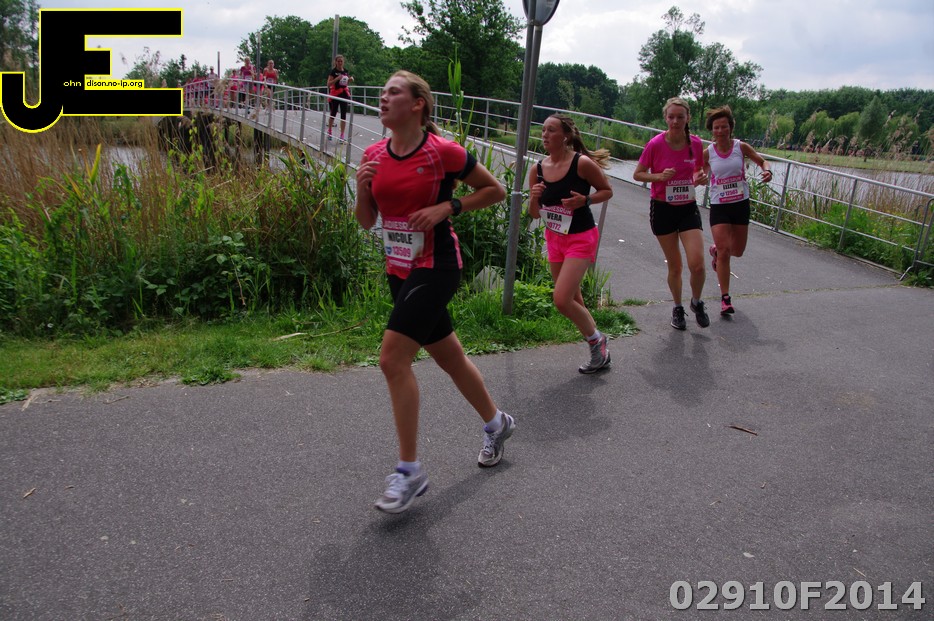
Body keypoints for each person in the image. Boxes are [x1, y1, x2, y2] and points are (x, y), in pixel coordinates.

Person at [355, 70, 515, 514]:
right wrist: (362, 188)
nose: (383, 98)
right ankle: (497, 423)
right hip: (398, 268)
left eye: (393, 92)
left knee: (392, 360)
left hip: (437, 265)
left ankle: (409, 471)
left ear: (417, 104)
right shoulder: (373, 154)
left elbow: (496, 190)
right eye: (382, 92)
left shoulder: (442, 151)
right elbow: (366, 222)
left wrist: (448, 206)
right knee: (449, 357)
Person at [528, 114, 614, 374]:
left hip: (581, 237)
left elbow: (607, 190)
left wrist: (585, 201)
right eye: (543, 130)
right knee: (574, 299)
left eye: (551, 130)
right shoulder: (537, 169)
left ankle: (597, 342)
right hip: (555, 238)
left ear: (565, 136)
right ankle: (598, 349)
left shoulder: (581, 163)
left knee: (561, 300)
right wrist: (534, 197)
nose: (545, 134)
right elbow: (534, 214)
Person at [633, 96, 710, 330]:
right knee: (675, 266)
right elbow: (638, 174)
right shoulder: (655, 144)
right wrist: (658, 176)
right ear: (665, 118)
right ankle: (677, 308)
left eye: (680, 117)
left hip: (687, 207)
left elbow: (697, 169)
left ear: (688, 118)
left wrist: (700, 177)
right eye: (671, 117)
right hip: (662, 208)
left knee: (697, 265)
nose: (675, 121)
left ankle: (696, 301)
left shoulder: (695, 143)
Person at [703, 105, 772, 315]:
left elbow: (763, 162)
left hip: (740, 204)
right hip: (719, 205)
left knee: (738, 251)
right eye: (716, 127)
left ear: (730, 128)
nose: (720, 131)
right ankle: (725, 298)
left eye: (724, 126)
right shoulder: (708, 152)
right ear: (712, 130)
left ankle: (716, 251)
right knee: (725, 252)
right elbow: (698, 171)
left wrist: (767, 172)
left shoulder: (740, 147)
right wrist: (698, 177)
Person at [327, 54, 353, 142]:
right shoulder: (333, 72)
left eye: (341, 61)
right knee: (333, 113)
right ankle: (329, 131)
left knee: (343, 115)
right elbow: (328, 84)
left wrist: (349, 80)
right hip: (335, 94)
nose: (340, 63)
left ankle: (342, 135)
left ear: (343, 62)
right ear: (336, 62)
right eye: (338, 61)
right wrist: (337, 79)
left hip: (344, 94)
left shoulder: (345, 71)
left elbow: (345, 82)